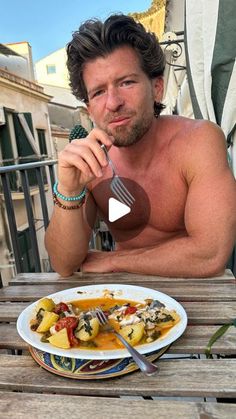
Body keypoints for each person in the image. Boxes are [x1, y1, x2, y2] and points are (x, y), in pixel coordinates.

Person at [45, 14, 236, 278]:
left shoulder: (199, 141)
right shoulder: (90, 161)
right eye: (98, 92)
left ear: (157, 88)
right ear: (89, 109)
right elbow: (64, 264)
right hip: (127, 300)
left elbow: (210, 254)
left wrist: (115, 260)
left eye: (126, 82)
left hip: (196, 289)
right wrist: (68, 189)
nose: (113, 102)